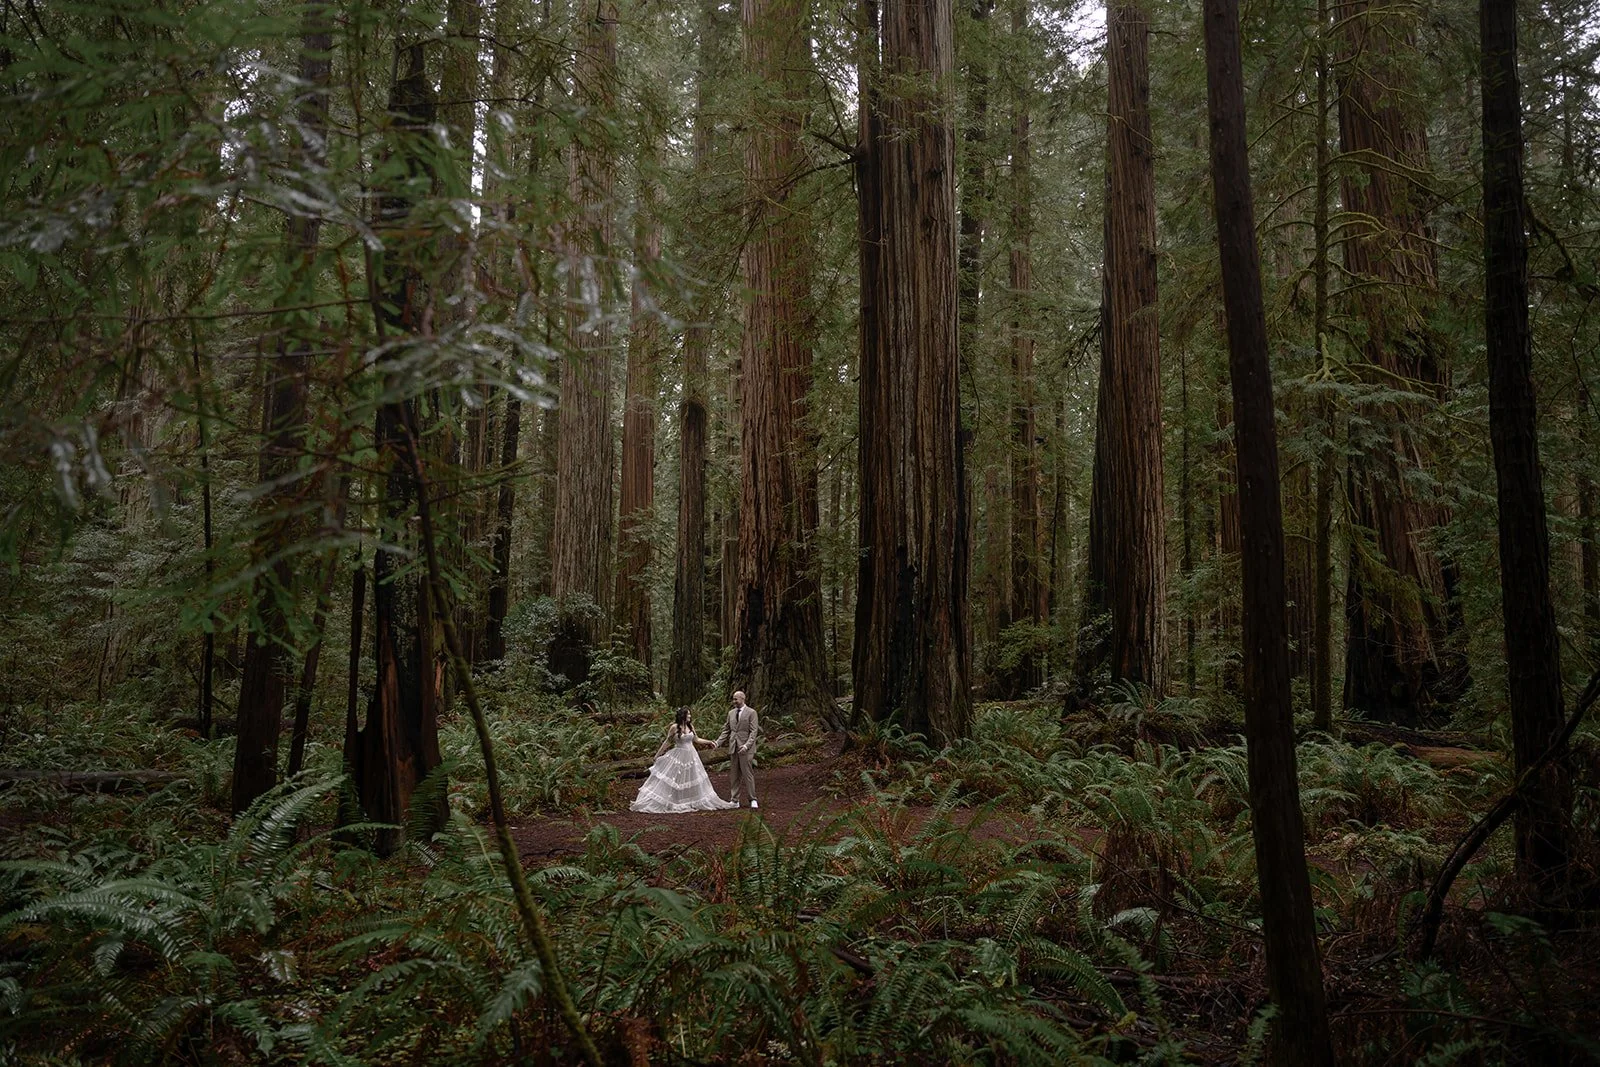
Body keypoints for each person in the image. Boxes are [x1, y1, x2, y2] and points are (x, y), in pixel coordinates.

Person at [630, 707, 737, 813]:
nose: (690, 716)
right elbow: (667, 742)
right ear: (682, 715)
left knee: (691, 778)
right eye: (688, 714)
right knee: (675, 778)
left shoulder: (691, 726)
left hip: (692, 755)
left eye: (690, 714)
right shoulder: (674, 727)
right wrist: (657, 755)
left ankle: (690, 801)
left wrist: (710, 742)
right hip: (678, 755)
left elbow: (696, 739)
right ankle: (674, 801)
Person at [713, 690, 760, 809]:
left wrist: (746, 745)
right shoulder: (731, 713)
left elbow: (754, 731)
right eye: (733, 699)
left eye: (736, 699)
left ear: (743, 699)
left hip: (746, 748)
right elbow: (726, 730)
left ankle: (752, 799)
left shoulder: (751, 713)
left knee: (747, 773)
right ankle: (734, 799)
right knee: (734, 774)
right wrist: (718, 742)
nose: (734, 701)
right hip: (734, 746)